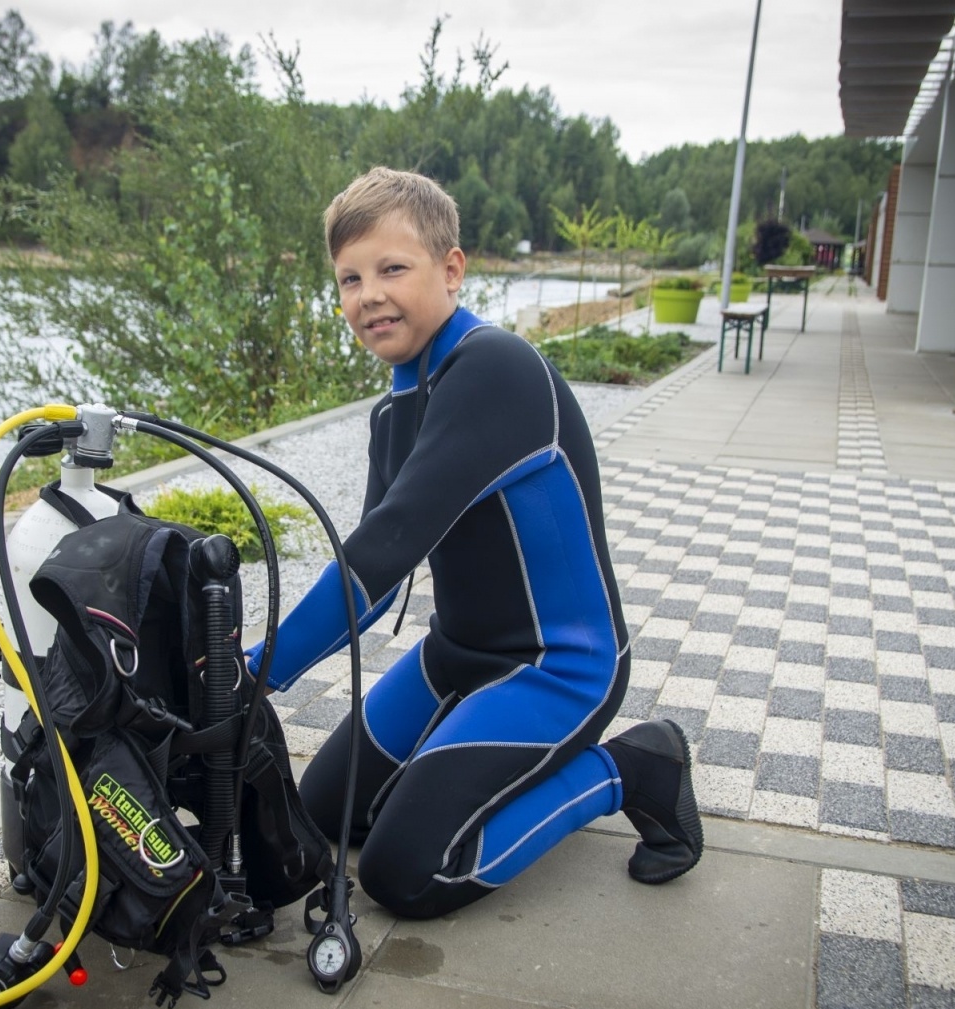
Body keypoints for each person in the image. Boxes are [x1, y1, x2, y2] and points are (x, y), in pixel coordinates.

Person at [246, 167, 702, 919]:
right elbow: (381, 580)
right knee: (325, 814)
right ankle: (459, 777)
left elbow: (384, 549)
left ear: (451, 269)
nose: (369, 295)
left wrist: (259, 670)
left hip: (559, 667)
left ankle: (633, 767)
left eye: (394, 268)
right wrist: (248, 666)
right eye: (350, 278)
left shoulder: (495, 369)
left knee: (406, 874)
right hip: (453, 657)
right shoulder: (395, 406)